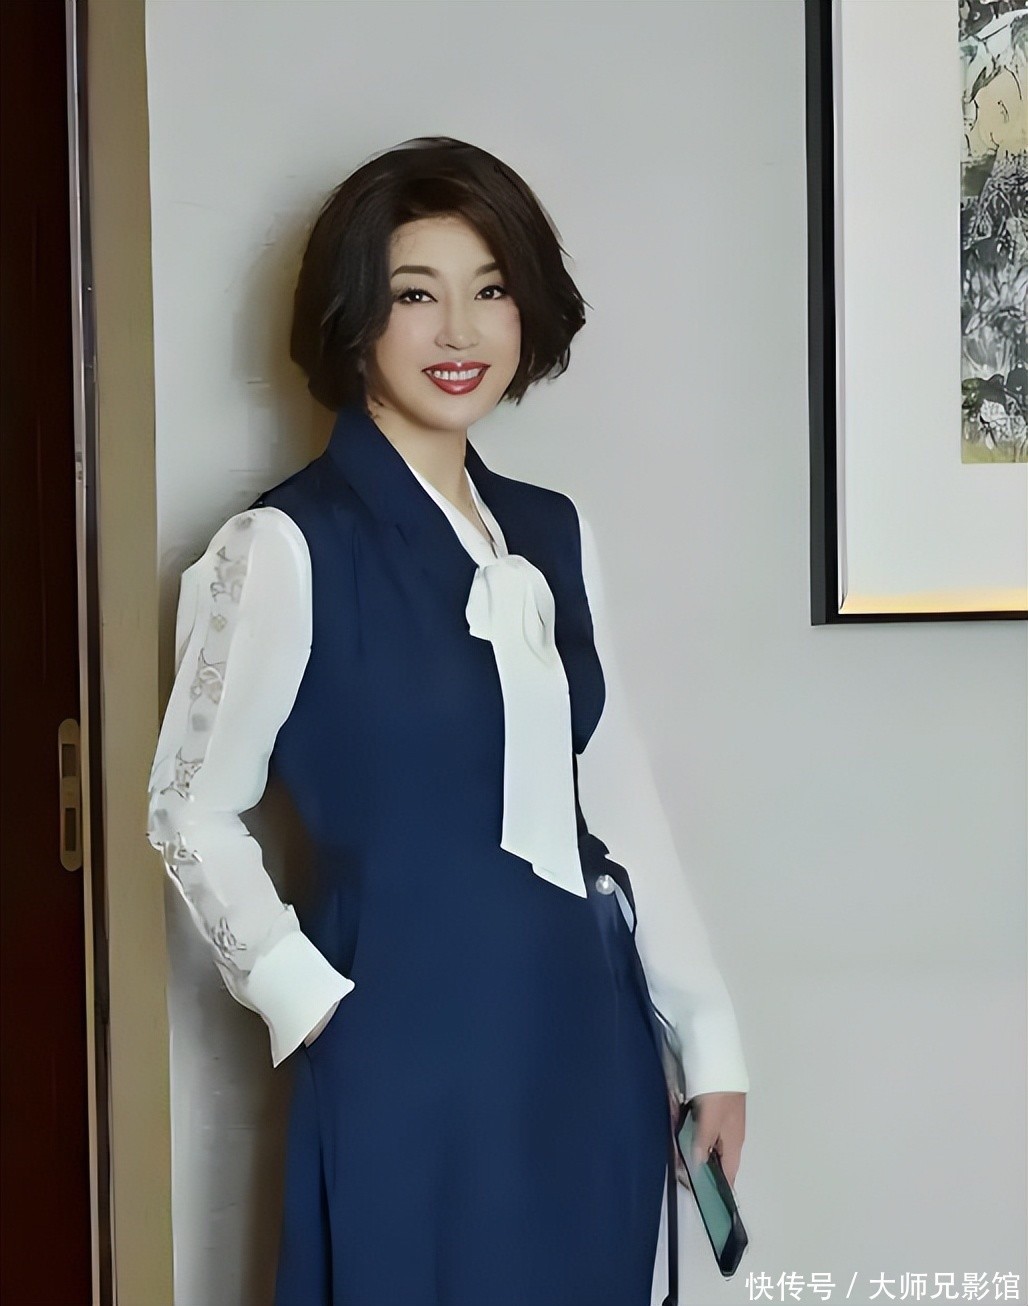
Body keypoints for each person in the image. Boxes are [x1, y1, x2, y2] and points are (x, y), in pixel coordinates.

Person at [146, 136, 748, 1306]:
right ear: (354, 316)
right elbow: (187, 808)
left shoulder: (553, 531)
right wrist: (309, 1003)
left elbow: (612, 791)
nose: (459, 331)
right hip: (401, 1051)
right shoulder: (284, 545)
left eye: (490, 289)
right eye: (415, 295)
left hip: (585, 1038)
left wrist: (706, 1035)